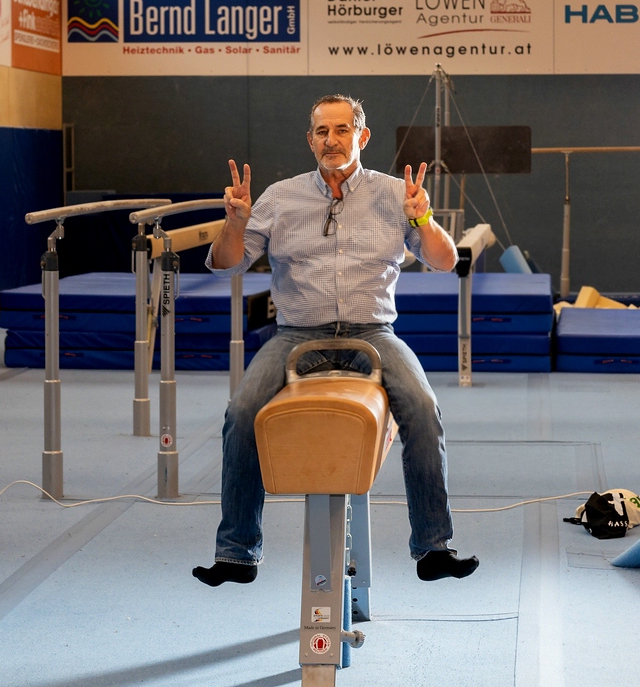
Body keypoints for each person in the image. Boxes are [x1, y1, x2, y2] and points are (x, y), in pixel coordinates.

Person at [193, 95, 479, 587]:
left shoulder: (396, 194)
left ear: (361, 136)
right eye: (322, 132)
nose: (332, 140)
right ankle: (237, 552)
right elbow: (226, 264)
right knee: (240, 413)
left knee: (422, 407)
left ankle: (433, 547)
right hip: (297, 335)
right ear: (311, 140)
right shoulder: (279, 198)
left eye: (342, 130)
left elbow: (446, 261)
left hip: (373, 332)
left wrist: (423, 219)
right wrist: (235, 224)